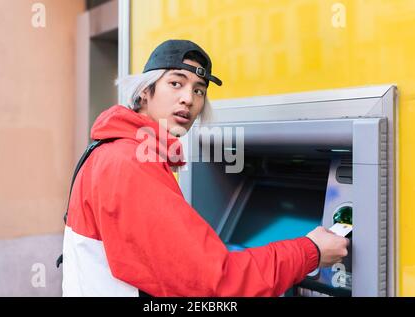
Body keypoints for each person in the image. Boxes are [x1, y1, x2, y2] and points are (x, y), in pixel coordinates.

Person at [61, 39, 349, 297]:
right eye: (176, 83)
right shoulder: (131, 163)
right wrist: (310, 252)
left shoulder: (113, 149)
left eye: (199, 90)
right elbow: (214, 282)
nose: (189, 98)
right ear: (145, 92)